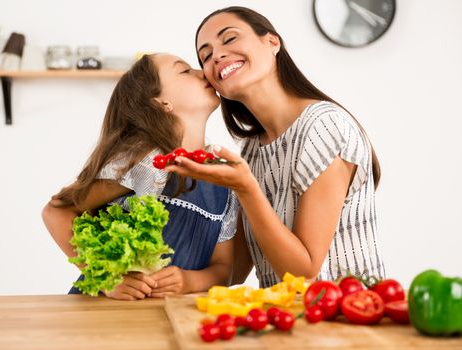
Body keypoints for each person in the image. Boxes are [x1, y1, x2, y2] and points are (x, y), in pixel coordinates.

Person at [166, 6, 385, 288]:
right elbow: (237, 269)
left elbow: (303, 274)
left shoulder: (324, 127)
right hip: (286, 322)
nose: (217, 55)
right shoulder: (251, 151)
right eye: (206, 56)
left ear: (272, 42)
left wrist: (246, 188)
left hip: (347, 320)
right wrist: (178, 279)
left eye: (229, 39)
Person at [42, 53, 238, 300]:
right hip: (102, 316)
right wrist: (108, 278)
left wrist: (189, 281)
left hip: (163, 322)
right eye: (184, 71)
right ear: (160, 102)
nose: (202, 72)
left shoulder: (223, 178)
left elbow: (223, 271)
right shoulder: (145, 160)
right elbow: (56, 211)